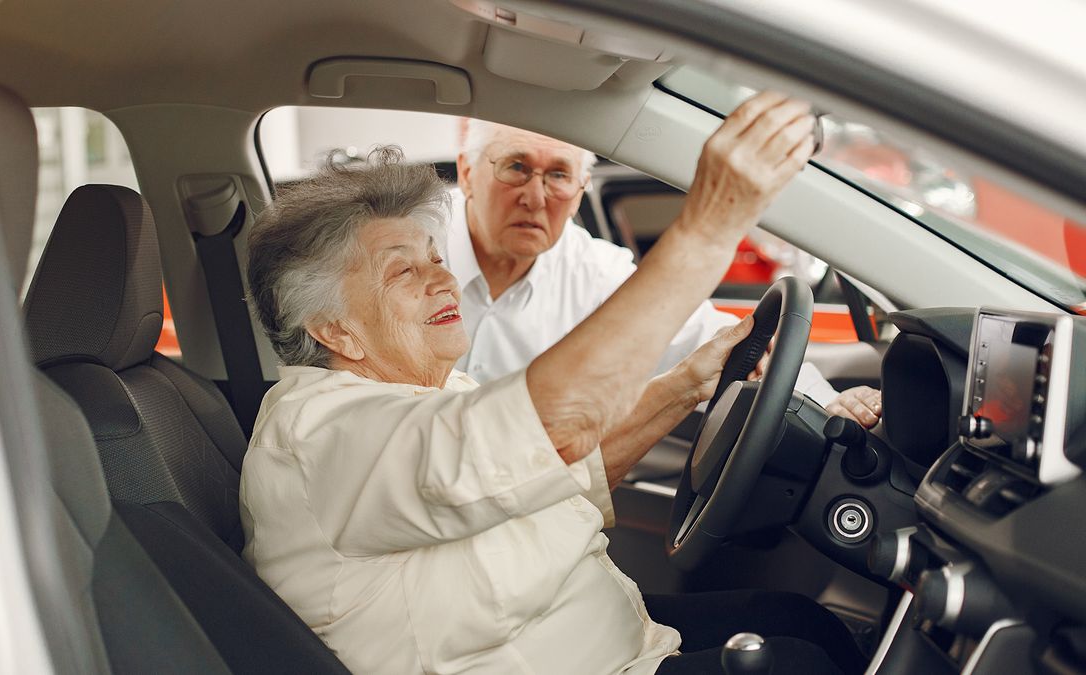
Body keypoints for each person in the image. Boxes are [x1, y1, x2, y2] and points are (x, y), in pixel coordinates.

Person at [241, 93, 865, 674]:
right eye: (403, 271)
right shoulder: (324, 434)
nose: (442, 280)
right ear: (336, 331)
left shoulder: (422, 392)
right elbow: (548, 429)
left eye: (436, 258)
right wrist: (706, 229)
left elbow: (558, 475)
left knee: (806, 624)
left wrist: (686, 385)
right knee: (805, 658)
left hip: (617, 640)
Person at [449, 118, 883, 428]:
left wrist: (827, 405)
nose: (536, 197)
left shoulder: (595, 271)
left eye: (559, 174)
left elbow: (717, 340)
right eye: (516, 167)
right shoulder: (407, 248)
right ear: (467, 175)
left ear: (580, 191)